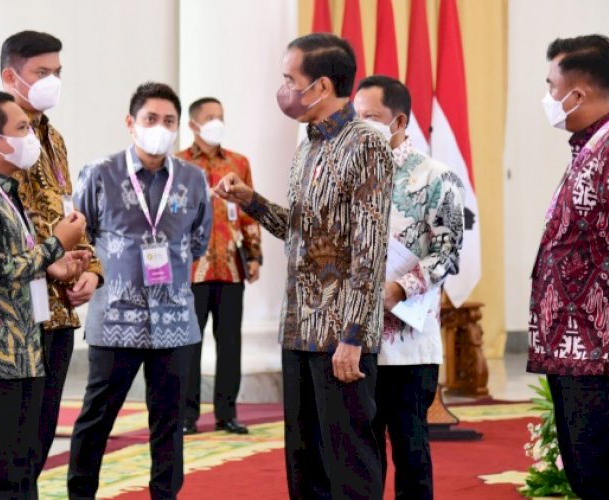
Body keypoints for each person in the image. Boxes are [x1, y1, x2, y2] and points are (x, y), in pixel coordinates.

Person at [215, 33, 394, 499]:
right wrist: (249, 200)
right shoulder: (309, 146)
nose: (284, 89)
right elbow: (298, 230)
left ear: (320, 86)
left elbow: (369, 249)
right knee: (305, 462)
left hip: (340, 335)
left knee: (349, 463)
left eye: (289, 79)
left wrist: (353, 336)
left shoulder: (367, 146)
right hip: (299, 328)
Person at [528, 34, 609, 499]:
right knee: (592, 485)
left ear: (577, 94)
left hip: (608, 359)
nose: (547, 97)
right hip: (584, 355)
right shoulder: (593, 147)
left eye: (551, 86)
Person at [68, 82, 213, 499]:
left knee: (169, 421)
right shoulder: (99, 174)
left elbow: (198, 241)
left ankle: (165, 494)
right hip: (115, 317)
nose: (160, 128)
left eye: (169, 121)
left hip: (175, 321)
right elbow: (80, 235)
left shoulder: (193, 178)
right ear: (131, 123)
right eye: (151, 119)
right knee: (98, 416)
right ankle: (80, 494)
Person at [0, 90, 88, 499]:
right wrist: (55, 245)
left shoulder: (4, 189)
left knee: (22, 474)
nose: (32, 138)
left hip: (22, 356)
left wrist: (51, 265)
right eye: (22, 128)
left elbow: (14, 259)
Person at [355, 75, 465, 499]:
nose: (362, 127)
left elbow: (448, 251)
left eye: (372, 118)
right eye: (357, 117)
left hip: (409, 341)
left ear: (398, 120)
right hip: (355, 342)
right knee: (362, 451)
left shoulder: (437, 177)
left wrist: (400, 288)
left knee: (410, 449)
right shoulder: (353, 178)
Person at [0, 30, 103, 477]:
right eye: (42, 73)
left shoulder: (52, 137)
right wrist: (52, 259)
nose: (53, 82)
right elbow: (0, 221)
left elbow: (67, 211)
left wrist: (91, 270)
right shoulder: (0, 131)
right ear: (11, 76)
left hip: (58, 310)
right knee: (10, 444)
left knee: (40, 439)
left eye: (57, 73)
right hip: (18, 311)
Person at [177, 97, 262, 435]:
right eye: (211, 117)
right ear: (194, 124)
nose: (217, 122)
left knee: (230, 343)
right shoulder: (179, 164)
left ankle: (227, 413)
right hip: (191, 271)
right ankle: (186, 415)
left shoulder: (238, 162)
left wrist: (255, 255)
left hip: (230, 267)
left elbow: (248, 210)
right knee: (189, 344)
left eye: (221, 117)